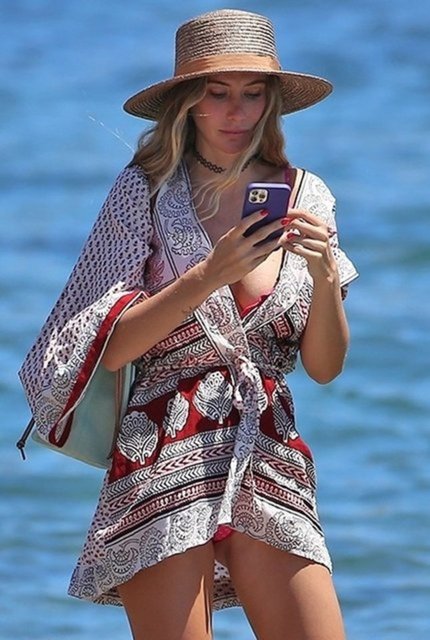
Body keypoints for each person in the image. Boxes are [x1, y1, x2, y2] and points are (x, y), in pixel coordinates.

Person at [19, 8, 358, 640]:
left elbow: (324, 367)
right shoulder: (145, 190)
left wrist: (322, 275)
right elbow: (108, 348)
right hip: (161, 446)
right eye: (217, 92)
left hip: (270, 448)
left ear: (272, 101)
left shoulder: (308, 195)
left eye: (253, 93)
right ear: (187, 102)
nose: (237, 111)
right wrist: (209, 274)